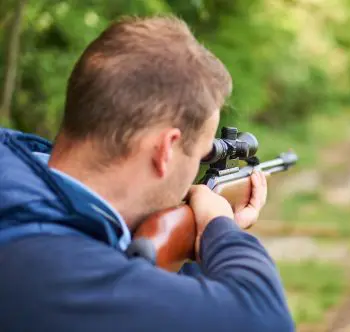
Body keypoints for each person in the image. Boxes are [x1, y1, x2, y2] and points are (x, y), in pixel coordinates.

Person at [0, 15, 294, 332]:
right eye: (200, 154)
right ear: (165, 149)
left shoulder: (21, 193)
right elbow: (265, 319)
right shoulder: (55, 266)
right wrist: (218, 228)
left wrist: (183, 241)